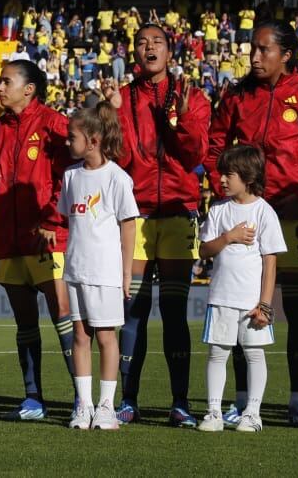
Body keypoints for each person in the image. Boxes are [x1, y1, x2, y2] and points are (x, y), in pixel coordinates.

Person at [206, 20, 298, 427]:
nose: (254, 57)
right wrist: (226, 189)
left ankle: (297, 399)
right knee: (240, 308)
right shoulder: (236, 97)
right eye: (252, 49)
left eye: (263, 50)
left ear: (286, 54)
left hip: (295, 218)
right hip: (245, 222)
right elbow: (214, 145)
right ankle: (239, 400)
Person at [110, 23, 211, 427]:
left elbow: (194, 155)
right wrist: (109, 110)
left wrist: (182, 118)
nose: (148, 47)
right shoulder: (122, 96)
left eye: (157, 43)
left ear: (170, 52)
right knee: (132, 308)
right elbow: (112, 157)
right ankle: (127, 399)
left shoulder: (192, 97)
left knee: (173, 310)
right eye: (141, 42)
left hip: (177, 210)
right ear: (133, 52)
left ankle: (180, 402)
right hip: (135, 214)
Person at [0, 60, 75, 422]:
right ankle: (33, 397)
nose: (0, 88)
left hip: (47, 239)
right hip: (8, 238)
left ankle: (82, 396)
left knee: (62, 315)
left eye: (6, 81)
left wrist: (53, 220)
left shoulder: (53, 124)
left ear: (29, 88)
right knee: (25, 323)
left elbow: (70, 178)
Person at [60, 102, 137, 431]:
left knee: (106, 336)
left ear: (92, 139)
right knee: (80, 336)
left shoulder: (118, 178)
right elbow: (71, 221)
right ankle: (84, 405)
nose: (67, 142)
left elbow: (129, 225)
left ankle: (106, 406)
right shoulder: (70, 175)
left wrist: (125, 273)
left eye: (71, 136)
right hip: (76, 268)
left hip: (105, 272)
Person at [197, 145, 284, 433]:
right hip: (220, 298)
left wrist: (265, 304)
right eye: (221, 174)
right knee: (217, 354)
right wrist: (229, 237)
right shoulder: (219, 209)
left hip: (251, 303)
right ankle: (213, 413)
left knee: (254, 355)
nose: (221, 180)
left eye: (228, 174)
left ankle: (253, 414)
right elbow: (204, 250)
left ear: (247, 177)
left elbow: (270, 263)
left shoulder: (264, 212)